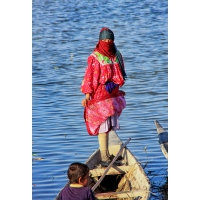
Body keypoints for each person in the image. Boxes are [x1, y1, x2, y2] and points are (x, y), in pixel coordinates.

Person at [81, 27, 127, 165]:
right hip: (99, 95)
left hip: (112, 94)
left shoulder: (117, 55)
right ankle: (104, 157)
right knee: (102, 125)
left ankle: (107, 155)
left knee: (108, 126)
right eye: (105, 40)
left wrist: (115, 83)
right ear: (100, 41)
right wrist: (87, 94)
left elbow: (122, 74)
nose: (108, 42)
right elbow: (89, 76)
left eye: (110, 40)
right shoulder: (94, 57)